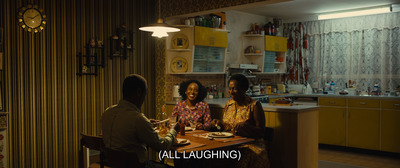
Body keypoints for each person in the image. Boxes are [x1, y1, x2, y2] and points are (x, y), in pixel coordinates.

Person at [102, 74, 180, 168]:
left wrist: (146, 123)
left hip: (112, 164)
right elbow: (162, 146)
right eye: (145, 93)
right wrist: (174, 130)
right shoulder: (138, 119)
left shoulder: (107, 112)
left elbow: (126, 129)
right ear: (139, 92)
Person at [213, 73, 269, 168]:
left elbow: (261, 132)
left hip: (250, 145)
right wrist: (218, 124)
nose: (231, 92)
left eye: (234, 88)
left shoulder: (254, 105)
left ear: (244, 89)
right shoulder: (229, 104)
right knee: (211, 155)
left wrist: (247, 127)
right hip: (230, 143)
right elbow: (227, 126)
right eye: (230, 89)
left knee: (239, 156)